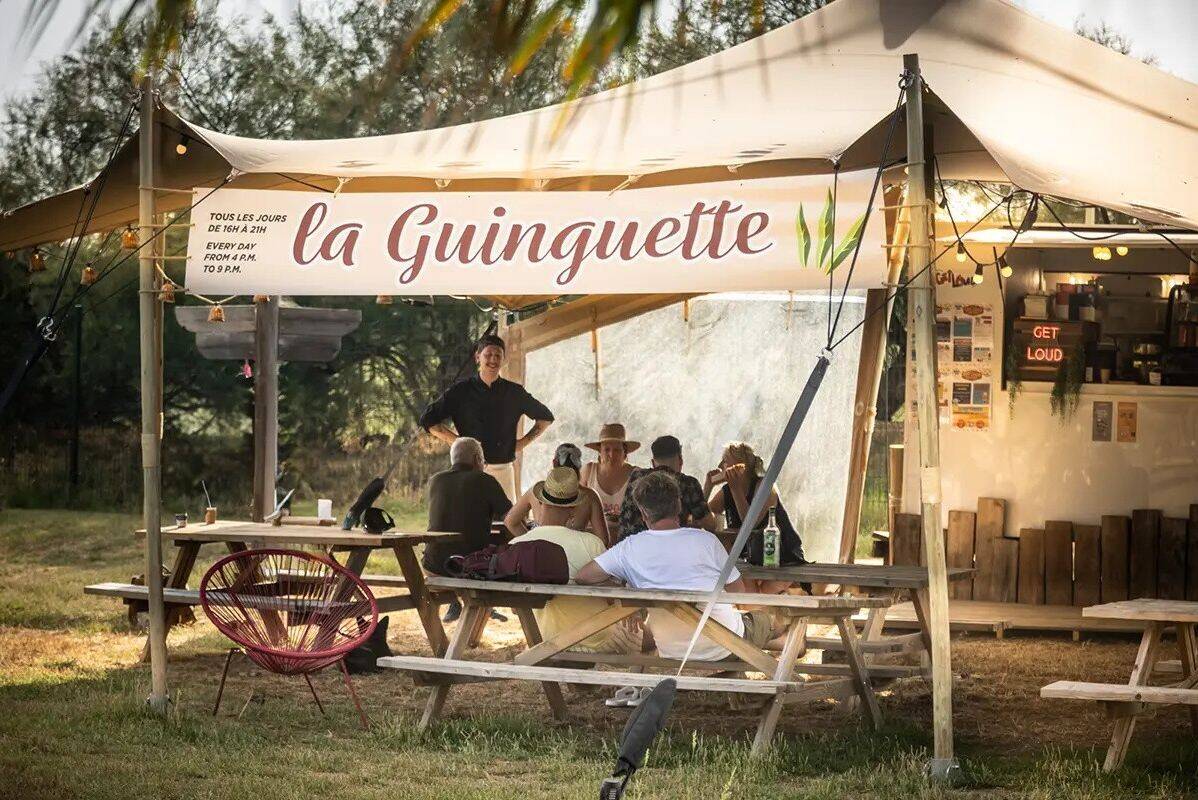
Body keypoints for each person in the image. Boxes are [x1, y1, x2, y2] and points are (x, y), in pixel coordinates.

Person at [577, 470, 774, 661]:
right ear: (679, 505)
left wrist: (625, 593)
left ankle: (784, 643)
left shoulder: (628, 548)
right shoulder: (706, 541)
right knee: (769, 619)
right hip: (725, 646)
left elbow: (584, 576)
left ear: (643, 513)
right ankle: (788, 641)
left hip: (671, 649)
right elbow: (738, 591)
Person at [508, 466, 638, 654]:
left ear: (541, 503)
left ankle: (588, 684)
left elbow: (514, 609)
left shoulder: (516, 546)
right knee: (653, 637)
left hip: (541, 640)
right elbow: (610, 598)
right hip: (595, 638)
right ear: (573, 510)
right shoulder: (592, 544)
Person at [419, 333, 554, 501]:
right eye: (488, 354)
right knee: (470, 521)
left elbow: (545, 418)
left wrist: (521, 443)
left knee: (506, 522)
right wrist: (459, 442)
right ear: (477, 357)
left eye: (498, 355)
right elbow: (428, 419)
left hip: (503, 470)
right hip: (468, 471)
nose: (493, 359)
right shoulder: (461, 391)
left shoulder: (514, 392)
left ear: (503, 359)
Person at [422, 437, 513, 622]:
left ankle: (457, 602)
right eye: (483, 460)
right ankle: (486, 605)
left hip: (433, 565)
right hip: (468, 567)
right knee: (502, 550)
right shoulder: (484, 480)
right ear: (476, 459)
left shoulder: (435, 480)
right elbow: (510, 516)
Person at [706, 441, 806, 593]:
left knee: (763, 592)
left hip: (780, 557)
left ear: (741, 466)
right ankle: (751, 612)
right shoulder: (726, 491)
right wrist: (708, 486)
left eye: (725, 461)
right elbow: (700, 515)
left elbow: (750, 524)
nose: (720, 465)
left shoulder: (765, 487)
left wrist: (735, 489)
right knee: (743, 589)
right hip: (749, 558)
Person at [504, 443, 611, 544]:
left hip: (541, 555)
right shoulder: (590, 496)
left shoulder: (535, 492)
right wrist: (583, 543)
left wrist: (531, 541)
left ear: (554, 462)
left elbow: (511, 522)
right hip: (574, 558)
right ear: (579, 465)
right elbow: (603, 540)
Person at [617, 435, 717, 540]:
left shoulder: (636, 477)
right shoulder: (688, 484)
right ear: (681, 460)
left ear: (652, 463)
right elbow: (710, 525)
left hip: (627, 550)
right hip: (664, 550)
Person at [580, 423, 639, 533]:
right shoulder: (588, 471)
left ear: (625, 453)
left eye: (617, 450)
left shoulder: (636, 474)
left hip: (626, 539)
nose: (611, 454)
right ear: (600, 452)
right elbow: (576, 510)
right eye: (607, 449)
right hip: (592, 538)